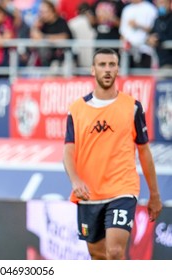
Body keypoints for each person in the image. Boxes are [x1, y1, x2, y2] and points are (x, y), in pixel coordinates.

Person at [63, 48, 162, 260]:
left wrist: (154, 194)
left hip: (122, 189)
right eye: (102, 64)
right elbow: (68, 151)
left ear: (118, 69)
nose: (107, 69)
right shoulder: (76, 109)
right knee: (98, 255)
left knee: (115, 252)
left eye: (112, 65)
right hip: (89, 193)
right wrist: (75, 180)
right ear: (92, 69)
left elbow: (144, 152)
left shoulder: (132, 107)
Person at [119, 0, 158, 69]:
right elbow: (122, 32)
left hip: (144, 50)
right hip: (129, 50)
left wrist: (138, 25)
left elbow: (154, 29)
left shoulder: (150, 8)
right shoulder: (127, 9)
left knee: (143, 75)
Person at [147, 0, 172, 70]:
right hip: (160, 62)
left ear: (169, 3)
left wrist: (158, 38)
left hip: (169, 63)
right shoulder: (157, 20)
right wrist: (150, 39)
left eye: (163, 3)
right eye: (159, 3)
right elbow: (152, 34)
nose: (162, 5)